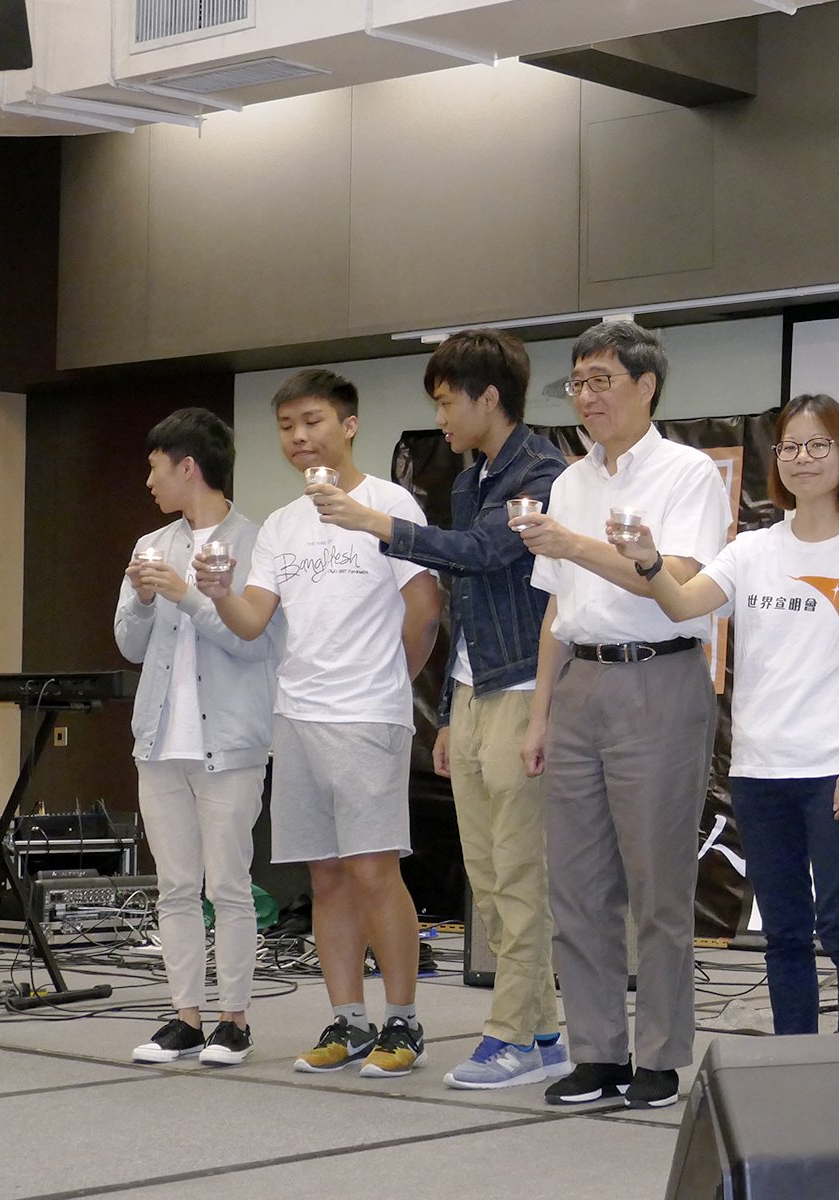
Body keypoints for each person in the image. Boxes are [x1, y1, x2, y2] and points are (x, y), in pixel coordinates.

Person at [312, 330, 570, 1089]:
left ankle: (511, 1035)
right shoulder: (470, 478)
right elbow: (466, 599)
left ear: (489, 397)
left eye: (448, 401)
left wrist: (378, 525)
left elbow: (490, 553)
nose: (443, 417)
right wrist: (453, 712)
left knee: (519, 874)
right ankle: (547, 1029)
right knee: (487, 879)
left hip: (526, 686)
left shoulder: (543, 471)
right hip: (477, 686)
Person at [610, 394, 839, 1035]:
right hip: (760, 772)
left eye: (819, 444)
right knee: (786, 933)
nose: (802, 458)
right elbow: (684, 606)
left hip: (835, 771)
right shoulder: (752, 550)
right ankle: (794, 1063)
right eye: (791, 446)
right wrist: (651, 560)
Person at [196, 369, 442, 1079]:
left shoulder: (388, 503)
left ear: (349, 424)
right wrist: (216, 591)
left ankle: (404, 1021)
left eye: (312, 421)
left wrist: (390, 679)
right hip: (296, 716)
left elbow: (424, 607)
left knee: (374, 869)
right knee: (326, 877)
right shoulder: (280, 524)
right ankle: (349, 1021)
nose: (299, 438)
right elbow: (252, 622)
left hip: (368, 713)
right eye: (286, 427)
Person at [516, 320, 731, 1109]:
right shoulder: (571, 482)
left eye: (602, 378)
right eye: (577, 381)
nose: (587, 394)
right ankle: (598, 1051)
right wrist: (539, 716)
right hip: (579, 683)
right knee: (576, 884)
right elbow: (554, 611)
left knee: (657, 885)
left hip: (659, 681)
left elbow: (674, 578)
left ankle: (661, 1057)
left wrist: (575, 545)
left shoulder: (688, 473)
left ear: (646, 385)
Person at [114, 408, 278, 1066]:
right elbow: (128, 645)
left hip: (231, 744)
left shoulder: (260, 543)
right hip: (158, 743)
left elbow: (256, 641)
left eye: (156, 468)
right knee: (175, 887)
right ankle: (184, 1014)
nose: (149, 481)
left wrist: (184, 595)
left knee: (229, 886)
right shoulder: (150, 543)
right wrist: (144, 599)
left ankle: (233, 1019)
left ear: (189, 467)